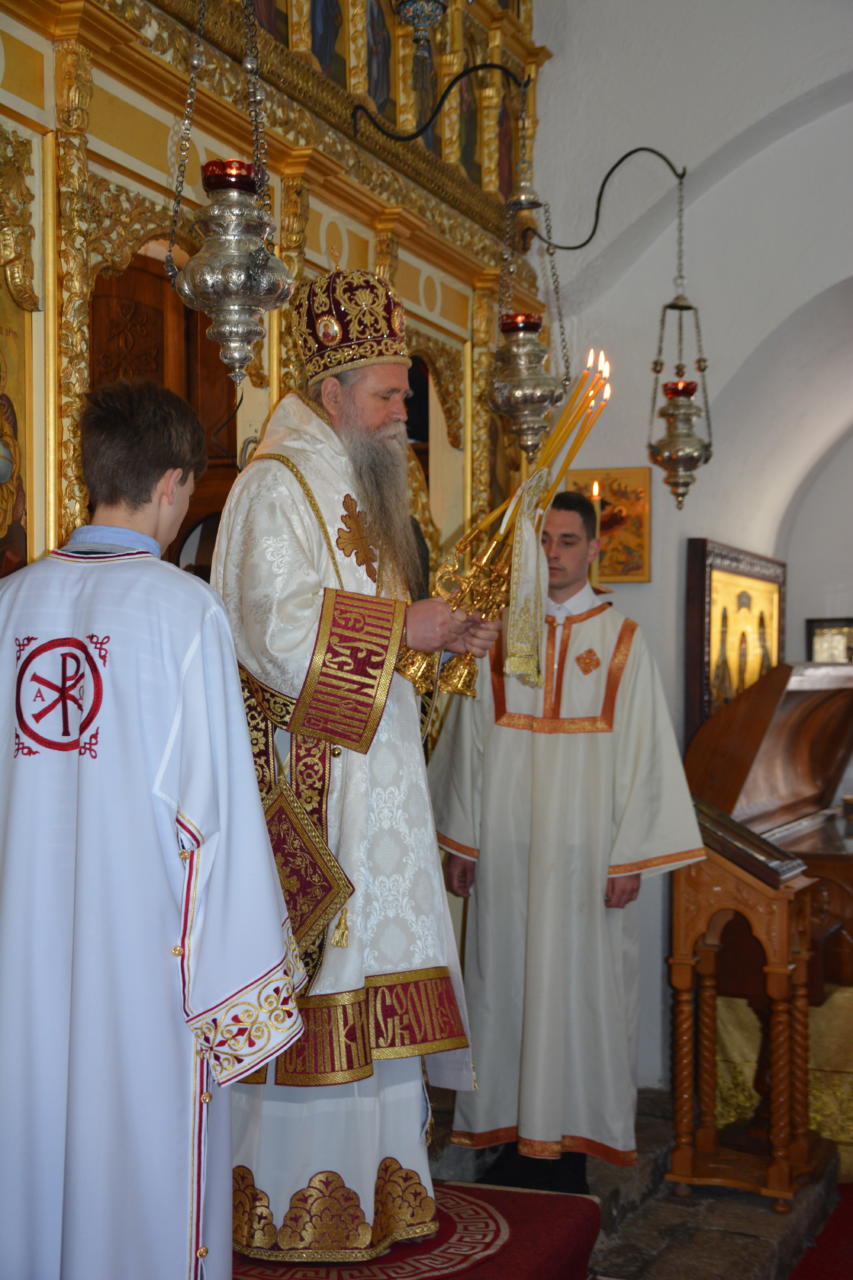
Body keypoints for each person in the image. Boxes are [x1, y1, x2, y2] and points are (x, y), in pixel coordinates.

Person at [211, 268, 497, 1263]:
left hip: (370, 796)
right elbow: (273, 636)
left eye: (402, 398)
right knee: (325, 985)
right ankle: (289, 1205)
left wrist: (438, 638)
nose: (399, 416)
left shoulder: (356, 480)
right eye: (385, 396)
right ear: (331, 393)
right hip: (312, 799)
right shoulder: (273, 485)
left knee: (374, 992)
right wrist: (402, 628)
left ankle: (383, 1193)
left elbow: (376, 643)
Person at [0, 380, 306, 1280]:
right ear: (173, 484)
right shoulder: (183, 611)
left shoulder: (7, 606)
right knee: (139, 1184)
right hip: (140, 978)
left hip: (19, 967)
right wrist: (238, 999)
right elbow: (216, 820)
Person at [429, 490, 704, 1192]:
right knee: (504, 988)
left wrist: (629, 857)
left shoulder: (621, 641)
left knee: (584, 996)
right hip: (508, 857)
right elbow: (467, 741)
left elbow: (645, 756)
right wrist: (462, 843)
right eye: (542, 541)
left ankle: (570, 1144)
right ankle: (507, 1136)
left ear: (594, 549)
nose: (553, 554)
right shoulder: (494, 639)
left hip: (588, 865)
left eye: (568, 541)